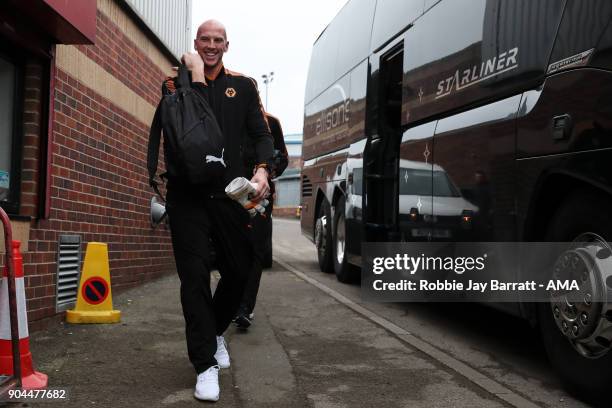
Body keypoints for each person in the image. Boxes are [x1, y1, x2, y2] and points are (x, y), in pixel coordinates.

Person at [161, 19, 274, 402]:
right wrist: (192, 75)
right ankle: (205, 365)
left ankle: (213, 333)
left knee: (240, 271)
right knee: (193, 279)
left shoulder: (243, 87)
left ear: (227, 45)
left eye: (218, 41)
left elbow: (261, 136)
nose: (211, 46)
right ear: (195, 43)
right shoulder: (175, 85)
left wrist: (262, 170)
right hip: (187, 197)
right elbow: (187, 127)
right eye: (205, 40)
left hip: (230, 196)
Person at [234, 112, 289, 329]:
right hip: (231, 194)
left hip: (260, 197)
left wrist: (267, 169)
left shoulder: (272, 122)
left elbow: (283, 158)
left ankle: (244, 309)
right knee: (233, 249)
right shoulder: (230, 115)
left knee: (256, 250)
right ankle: (233, 301)